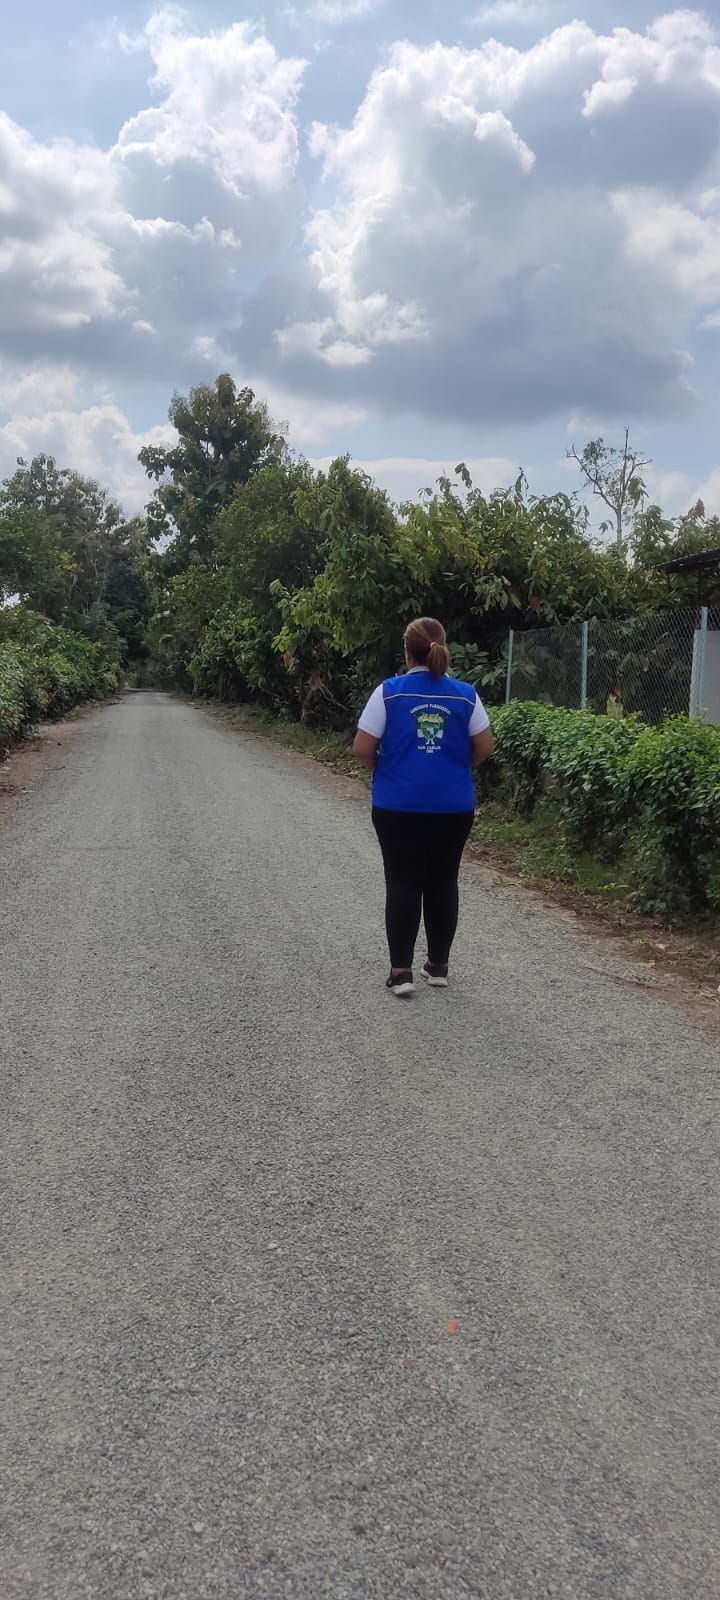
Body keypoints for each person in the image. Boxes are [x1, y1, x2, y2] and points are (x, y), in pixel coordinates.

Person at [353, 617, 496, 996]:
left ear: (407, 651)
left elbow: (363, 747)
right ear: (443, 647)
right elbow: (485, 746)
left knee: (402, 881)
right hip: (453, 807)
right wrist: (455, 767)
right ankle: (438, 965)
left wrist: (387, 768)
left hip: (396, 805)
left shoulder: (389, 693)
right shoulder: (465, 695)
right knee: (443, 880)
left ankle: (401, 973)